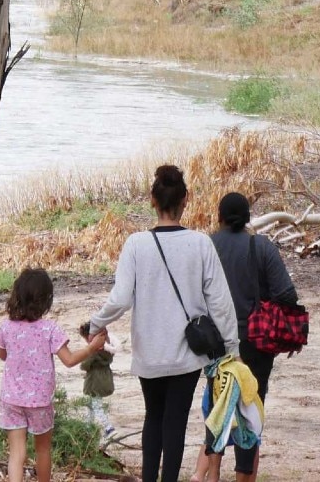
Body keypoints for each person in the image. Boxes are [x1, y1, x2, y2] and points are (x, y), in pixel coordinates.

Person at [89, 165, 239, 482]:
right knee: (175, 422)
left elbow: (120, 299)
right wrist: (231, 348)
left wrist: (95, 323)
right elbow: (220, 302)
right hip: (187, 354)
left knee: (152, 417)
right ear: (186, 200)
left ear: (152, 201)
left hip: (149, 352)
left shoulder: (136, 244)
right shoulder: (200, 244)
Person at [192, 192, 300, 482]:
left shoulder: (208, 246)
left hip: (215, 344)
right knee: (250, 411)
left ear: (220, 216)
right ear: (248, 217)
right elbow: (287, 294)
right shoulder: (260, 246)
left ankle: (212, 474)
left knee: (218, 405)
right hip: (255, 342)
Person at [0, 268, 107, 482]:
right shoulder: (50, 329)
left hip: (11, 399)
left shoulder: (6, 327)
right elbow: (70, 360)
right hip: (39, 401)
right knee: (43, 450)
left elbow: (3, 355)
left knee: (17, 453)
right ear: (46, 300)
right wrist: (92, 348)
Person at [79, 321, 117, 444]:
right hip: (104, 379)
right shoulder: (107, 349)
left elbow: (84, 365)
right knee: (91, 406)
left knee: (96, 406)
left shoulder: (94, 350)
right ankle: (87, 429)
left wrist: (87, 352)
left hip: (95, 382)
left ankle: (108, 428)